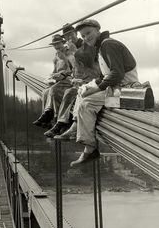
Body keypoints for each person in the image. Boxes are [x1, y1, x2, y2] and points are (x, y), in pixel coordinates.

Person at [70, 19, 139, 167]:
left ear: (97, 30)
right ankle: (76, 129)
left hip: (124, 89)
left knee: (86, 104)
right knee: (82, 92)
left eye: (88, 33)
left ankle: (90, 149)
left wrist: (96, 88)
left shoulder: (108, 45)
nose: (86, 38)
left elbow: (117, 73)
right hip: (116, 86)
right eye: (83, 36)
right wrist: (90, 85)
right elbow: (105, 75)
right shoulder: (102, 46)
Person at [44, 42, 101, 138]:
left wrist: (81, 82)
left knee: (69, 92)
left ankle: (61, 124)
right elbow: (74, 75)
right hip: (80, 87)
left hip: (92, 90)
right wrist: (75, 80)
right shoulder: (78, 64)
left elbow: (96, 81)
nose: (78, 64)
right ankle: (58, 122)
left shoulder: (95, 66)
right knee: (52, 91)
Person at [33, 34, 73, 127]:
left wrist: (63, 73)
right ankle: (46, 116)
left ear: (63, 43)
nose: (56, 46)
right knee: (45, 92)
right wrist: (51, 77)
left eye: (58, 44)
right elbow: (54, 71)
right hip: (59, 80)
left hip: (68, 80)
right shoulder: (56, 56)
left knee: (53, 90)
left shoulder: (69, 52)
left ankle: (57, 119)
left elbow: (73, 69)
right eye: (54, 45)